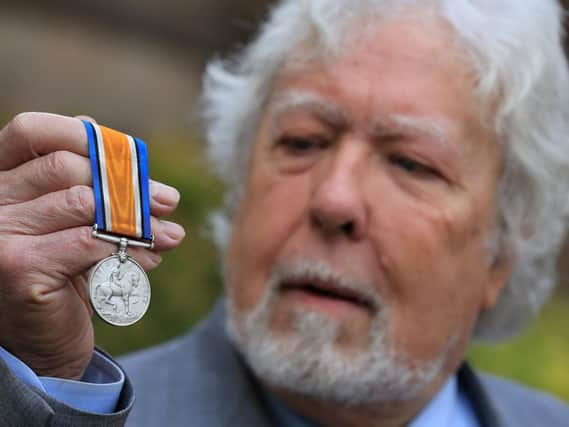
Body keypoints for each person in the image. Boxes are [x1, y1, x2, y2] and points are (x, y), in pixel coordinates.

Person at [1, 0, 569, 425]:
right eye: (302, 142)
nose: (333, 199)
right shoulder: (64, 409)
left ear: (503, 250)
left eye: (411, 164)